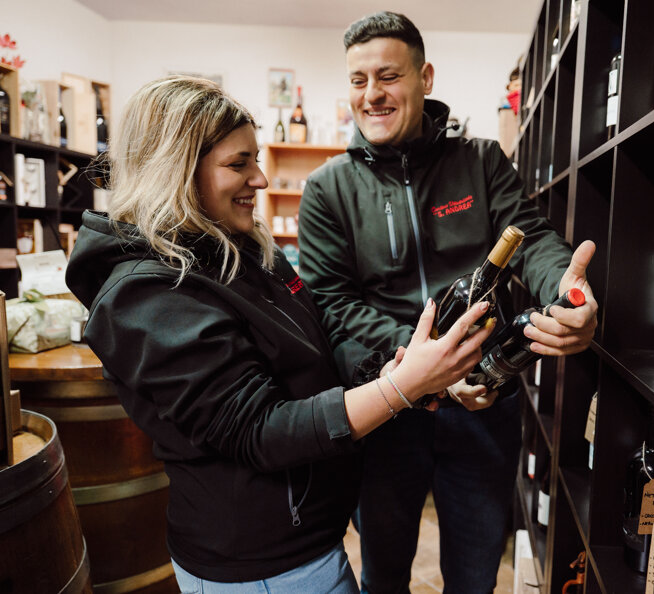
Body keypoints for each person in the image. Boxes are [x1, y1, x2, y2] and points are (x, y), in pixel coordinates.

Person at [64, 75, 495, 593]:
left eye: (256, 159)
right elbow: (259, 430)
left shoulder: (238, 249)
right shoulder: (147, 294)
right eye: (239, 164)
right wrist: (400, 388)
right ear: (176, 169)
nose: (261, 179)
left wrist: (399, 370)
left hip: (306, 543)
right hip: (261, 566)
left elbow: (318, 338)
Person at [297, 12, 599, 594]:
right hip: (385, 407)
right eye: (358, 80)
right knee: (383, 574)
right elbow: (332, 305)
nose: (371, 94)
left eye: (388, 76)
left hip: (484, 400)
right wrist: (427, 366)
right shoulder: (328, 189)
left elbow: (532, 241)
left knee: (475, 576)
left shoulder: (481, 161)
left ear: (425, 77)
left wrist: (566, 292)